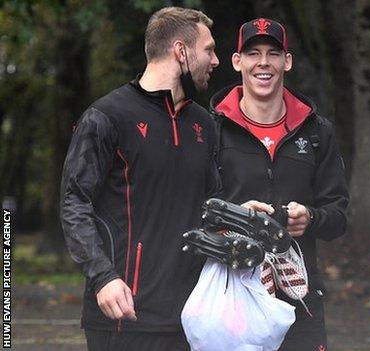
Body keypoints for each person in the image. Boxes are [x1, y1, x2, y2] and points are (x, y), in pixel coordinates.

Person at [59, 7, 220, 351]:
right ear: (181, 51)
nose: (216, 60)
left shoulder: (204, 125)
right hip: (124, 317)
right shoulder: (107, 117)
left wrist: (239, 217)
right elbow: (74, 202)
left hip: (192, 318)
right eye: (208, 49)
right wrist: (102, 277)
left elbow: (211, 207)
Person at [209, 18, 349, 351]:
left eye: (273, 53)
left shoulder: (317, 131)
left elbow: (339, 216)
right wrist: (235, 217)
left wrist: (310, 219)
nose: (263, 63)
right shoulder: (210, 128)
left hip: (299, 298)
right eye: (253, 53)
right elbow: (193, 209)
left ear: (287, 61)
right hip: (232, 293)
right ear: (236, 61)